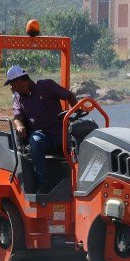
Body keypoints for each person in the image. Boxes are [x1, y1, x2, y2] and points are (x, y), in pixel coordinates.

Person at [8, 65, 77, 193]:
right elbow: (17, 117)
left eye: (12, 84)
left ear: (20, 81)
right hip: (41, 135)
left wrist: (77, 110)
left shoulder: (46, 86)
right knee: (35, 142)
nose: (11, 88)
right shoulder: (18, 98)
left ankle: (79, 180)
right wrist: (19, 125)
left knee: (78, 140)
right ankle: (44, 185)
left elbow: (69, 95)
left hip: (59, 130)